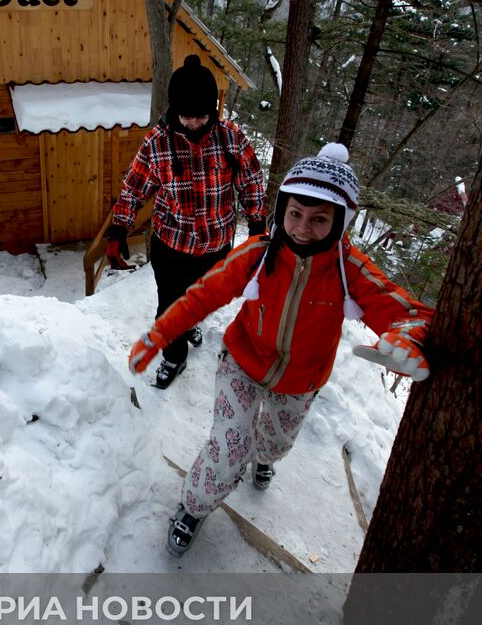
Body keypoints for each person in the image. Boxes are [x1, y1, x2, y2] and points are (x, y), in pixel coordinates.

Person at [128, 143, 433, 557]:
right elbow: (203, 294)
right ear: (282, 211)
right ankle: (194, 506)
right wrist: (163, 332)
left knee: (273, 443)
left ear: (340, 221)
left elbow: (404, 311)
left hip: (300, 380)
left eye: (319, 219)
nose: (303, 229)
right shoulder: (259, 252)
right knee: (229, 445)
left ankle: (265, 457)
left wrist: (406, 336)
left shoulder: (349, 269)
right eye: (295, 215)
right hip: (242, 362)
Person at [107, 54, 267, 389]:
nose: (194, 123)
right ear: (174, 109)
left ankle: (191, 320)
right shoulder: (157, 143)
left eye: (201, 115)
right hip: (171, 244)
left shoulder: (231, 139)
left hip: (215, 244)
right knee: (169, 305)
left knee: (200, 297)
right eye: (186, 115)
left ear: (214, 109)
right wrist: (118, 228)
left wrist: (256, 227)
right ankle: (174, 357)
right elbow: (134, 188)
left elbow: (251, 182)